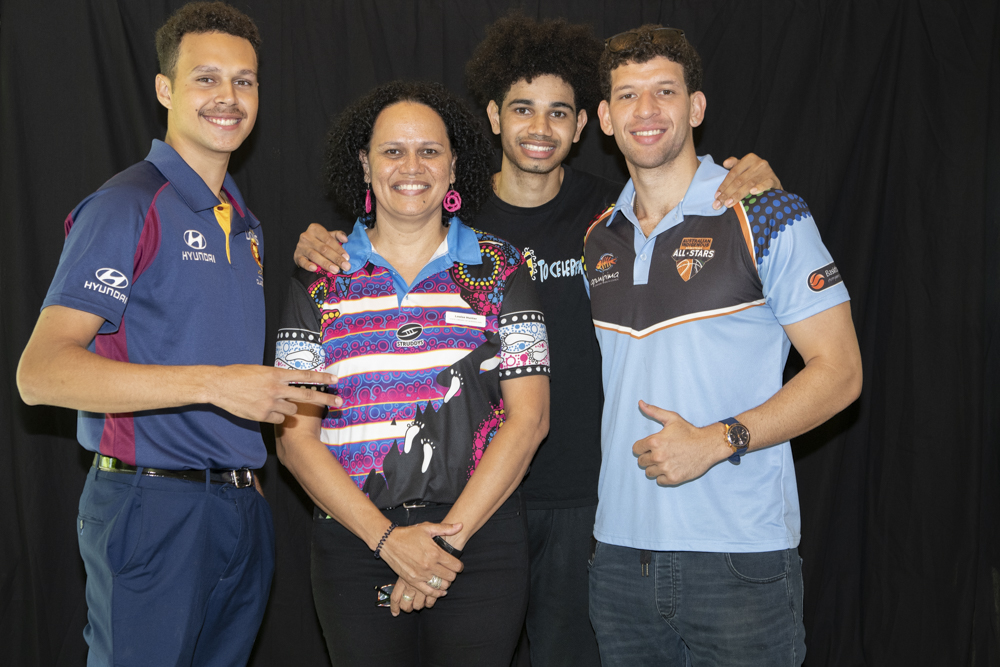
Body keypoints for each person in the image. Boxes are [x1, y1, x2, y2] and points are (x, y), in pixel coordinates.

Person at [291, 15, 783, 667]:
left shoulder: (617, 214)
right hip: (481, 495)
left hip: (590, 493)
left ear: (586, 125)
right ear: (492, 117)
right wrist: (318, 244)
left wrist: (753, 176)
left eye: (560, 112)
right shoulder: (452, 225)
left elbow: (695, 193)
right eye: (523, 109)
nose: (540, 128)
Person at [15, 3, 340, 665]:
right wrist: (217, 385)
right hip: (151, 503)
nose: (228, 97)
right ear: (165, 89)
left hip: (242, 504)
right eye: (207, 78)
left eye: (244, 81)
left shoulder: (244, 222)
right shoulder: (128, 204)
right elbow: (40, 373)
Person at [582, 25, 863, 666]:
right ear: (604, 117)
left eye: (664, 92)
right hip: (621, 559)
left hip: (739, 557)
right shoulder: (599, 238)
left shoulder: (765, 212)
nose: (646, 111)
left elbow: (842, 373)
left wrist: (716, 440)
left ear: (696, 107)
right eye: (627, 96)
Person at [273, 80, 550, 667]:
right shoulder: (318, 277)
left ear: (454, 167)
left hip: (479, 540)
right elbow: (295, 440)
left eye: (429, 150)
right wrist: (387, 542)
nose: (411, 166)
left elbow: (529, 421)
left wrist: (441, 545)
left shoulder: (502, 269)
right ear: (365, 165)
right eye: (392, 151)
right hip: (355, 541)